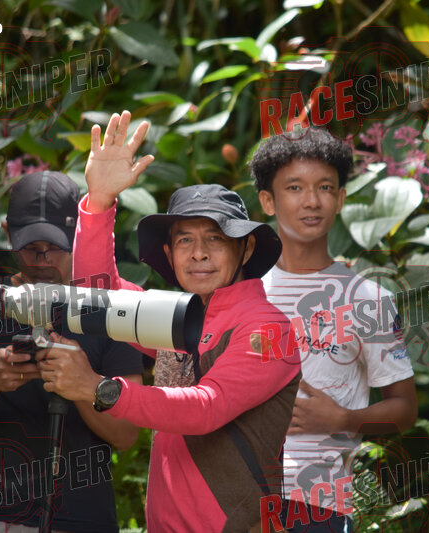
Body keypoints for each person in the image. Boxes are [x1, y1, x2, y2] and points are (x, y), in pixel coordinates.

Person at [38, 111, 301, 533]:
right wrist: (99, 201)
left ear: (247, 249)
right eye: (185, 240)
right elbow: (98, 299)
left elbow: (206, 407)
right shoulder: (175, 317)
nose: (198, 253)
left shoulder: (268, 329)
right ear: (170, 253)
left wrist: (99, 389)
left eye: (215, 238)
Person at [0, 170, 144, 533]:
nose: (43, 260)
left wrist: (83, 384)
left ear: (80, 236)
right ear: (8, 234)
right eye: (30, 247)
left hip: (84, 521)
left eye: (56, 247)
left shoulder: (108, 308)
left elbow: (126, 435)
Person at [250, 128, 418, 532]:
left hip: (319, 507)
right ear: (268, 201)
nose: (312, 201)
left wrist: (343, 418)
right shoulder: (245, 295)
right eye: (295, 188)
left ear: (340, 199)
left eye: (325, 187)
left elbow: (405, 410)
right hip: (240, 501)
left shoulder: (369, 299)